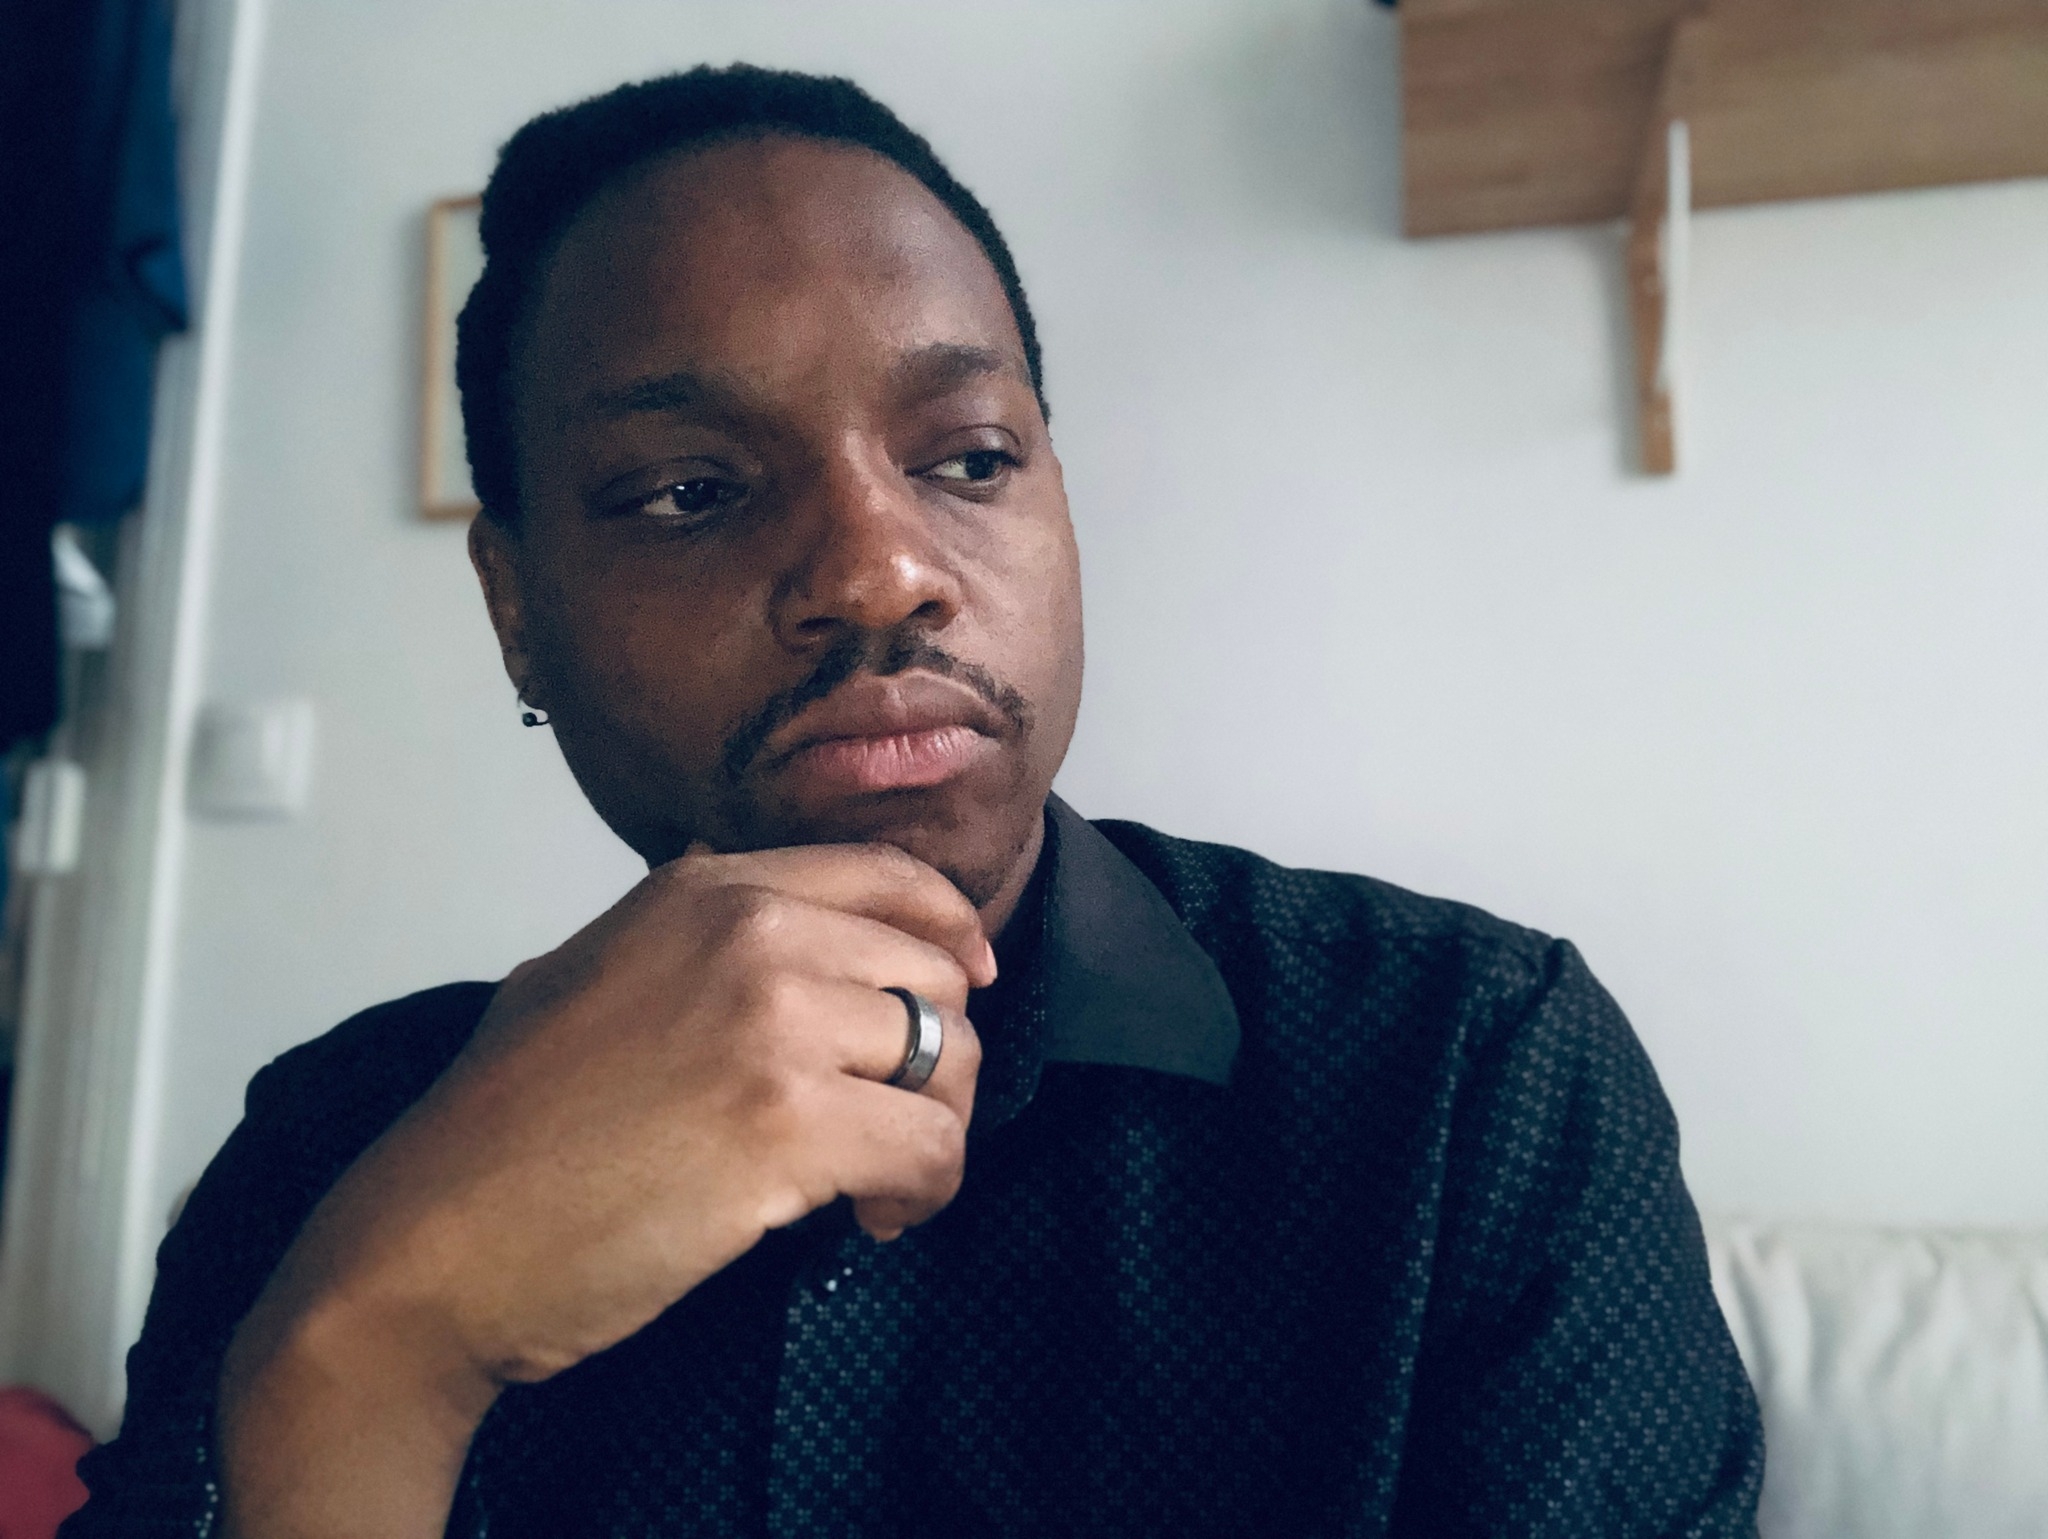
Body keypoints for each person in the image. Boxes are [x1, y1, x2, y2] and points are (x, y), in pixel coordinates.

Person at [65, 65, 1763, 1538]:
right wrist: (375, 1358)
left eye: (968, 459)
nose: (883, 570)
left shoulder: (1468, 1080)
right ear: (518, 608)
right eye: (689, 490)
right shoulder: (339, 1153)